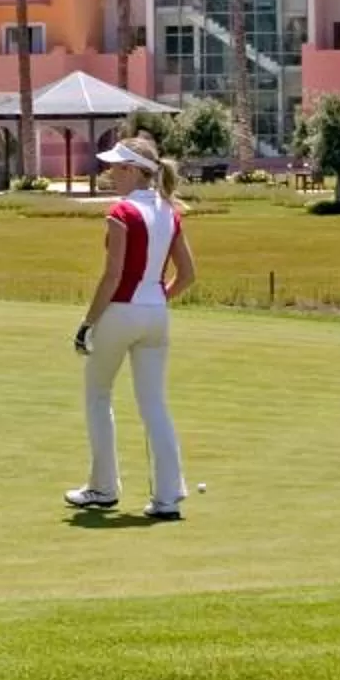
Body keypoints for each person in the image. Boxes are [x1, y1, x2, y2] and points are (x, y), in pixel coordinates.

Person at [65, 135, 194, 521]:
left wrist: (87, 323)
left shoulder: (122, 211)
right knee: (154, 404)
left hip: (120, 312)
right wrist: (156, 300)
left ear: (132, 171)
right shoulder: (169, 212)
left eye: (116, 167)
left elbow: (112, 276)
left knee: (97, 395)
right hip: (157, 316)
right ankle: (168, 497)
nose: (110, 173)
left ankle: (103, 488)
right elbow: (187, 275)